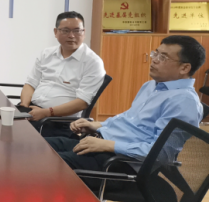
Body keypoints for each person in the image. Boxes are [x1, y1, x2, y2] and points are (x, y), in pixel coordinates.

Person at [46, 35, 205, 187]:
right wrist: (99, 125)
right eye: (156, 53)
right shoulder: (151, 86)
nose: (155, 60)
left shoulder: (184, 102)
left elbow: (162, 154)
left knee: (44, 165)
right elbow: (129, 118)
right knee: (40, 147)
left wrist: (109, 145)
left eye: (163, 57)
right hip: (102, 145)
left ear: (185, 68)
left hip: (120, 164)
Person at [21, 11, 106, 137]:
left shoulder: (92, 62)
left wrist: (46, 112)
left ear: (84, 32)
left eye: (77, 31)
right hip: (33, 111)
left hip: (59, 121)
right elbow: (31, 83)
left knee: (20, 140)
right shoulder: (46, 54)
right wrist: (24, 107)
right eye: (65, 31)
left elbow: (82, 102)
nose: (71, 35)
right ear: (55, 32)